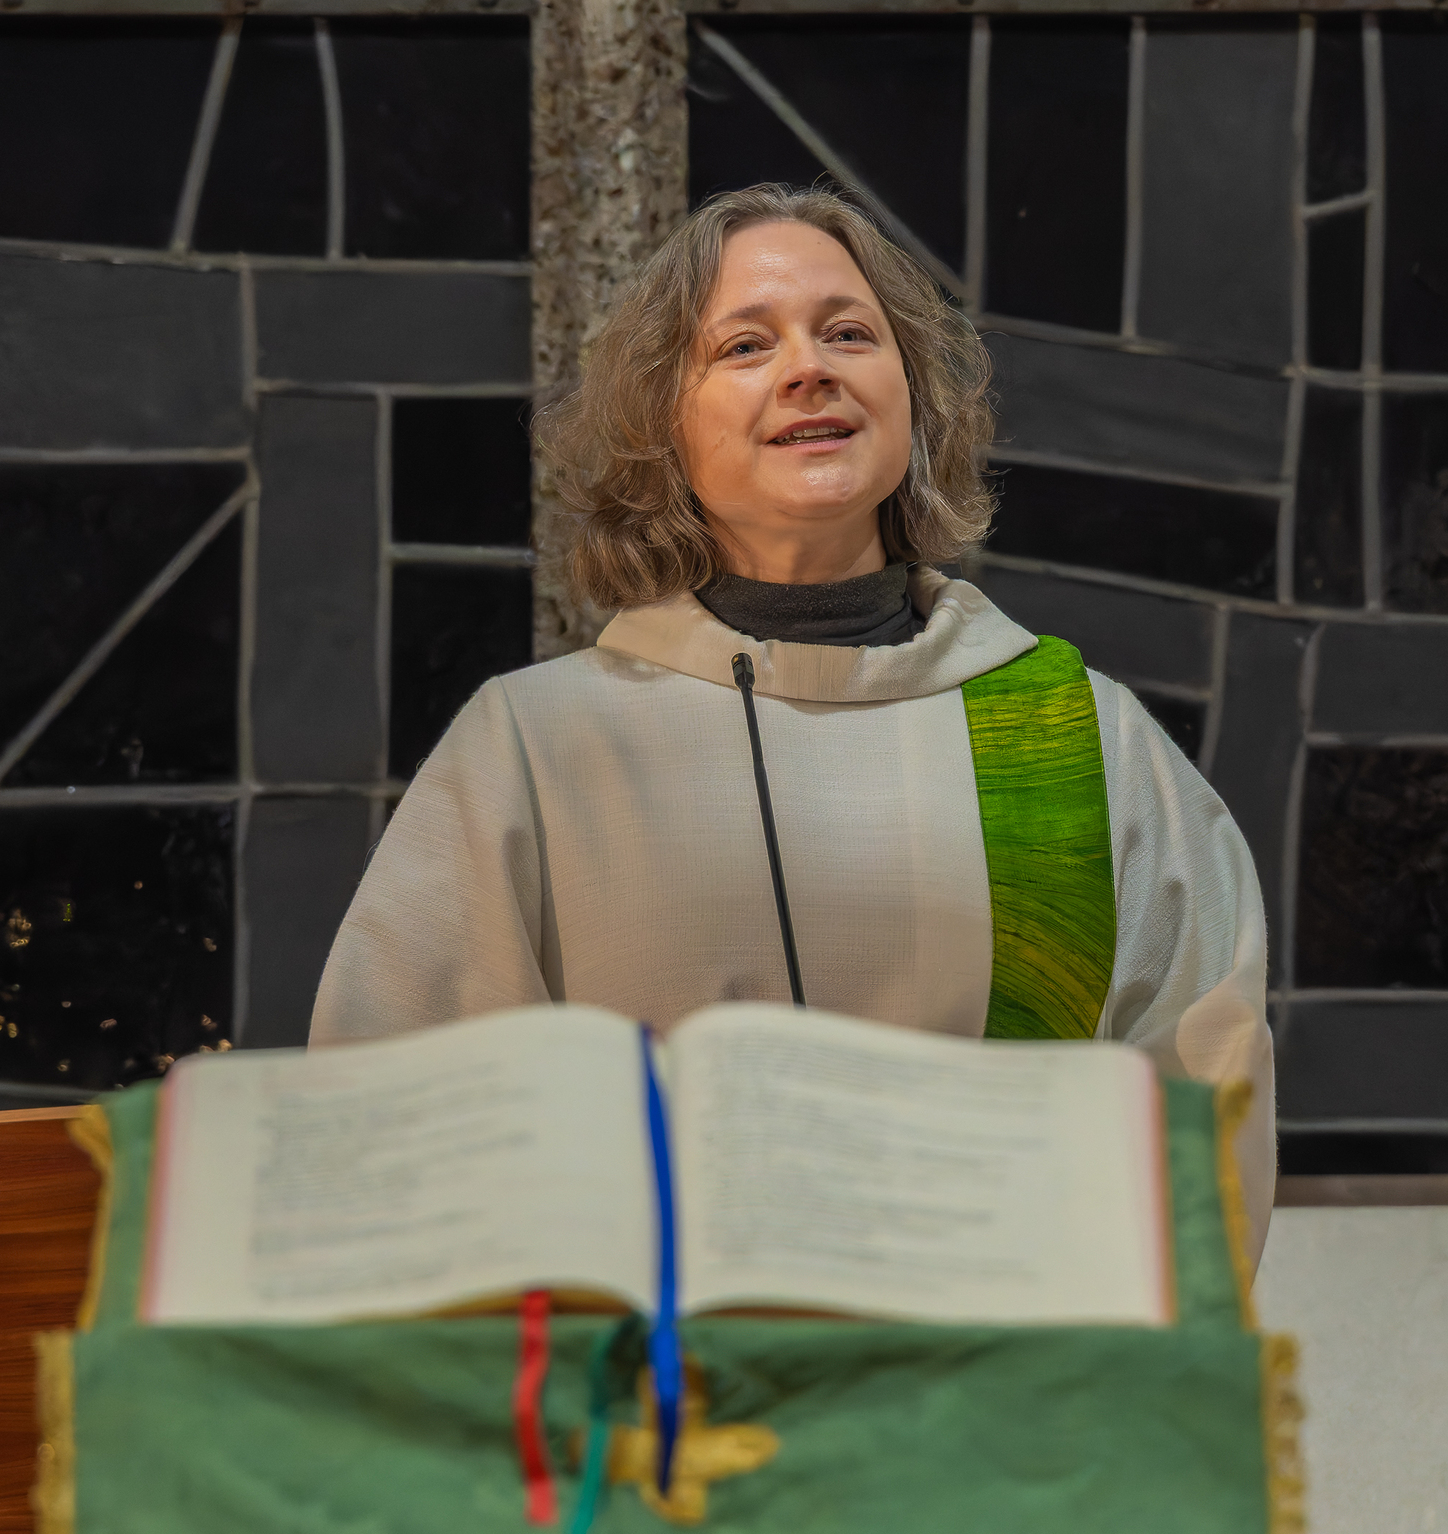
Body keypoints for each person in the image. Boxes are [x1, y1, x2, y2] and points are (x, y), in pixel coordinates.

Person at [311, 184, 1276, 1260]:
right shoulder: (536, 747)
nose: (808, 368)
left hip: (1002, 1351)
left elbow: (1202, 1107)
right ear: (662, 428)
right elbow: (399, 1119)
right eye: (744, 345)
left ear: (913, 397)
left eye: (848, 333)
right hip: (654, 1357)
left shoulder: (1075, 734)